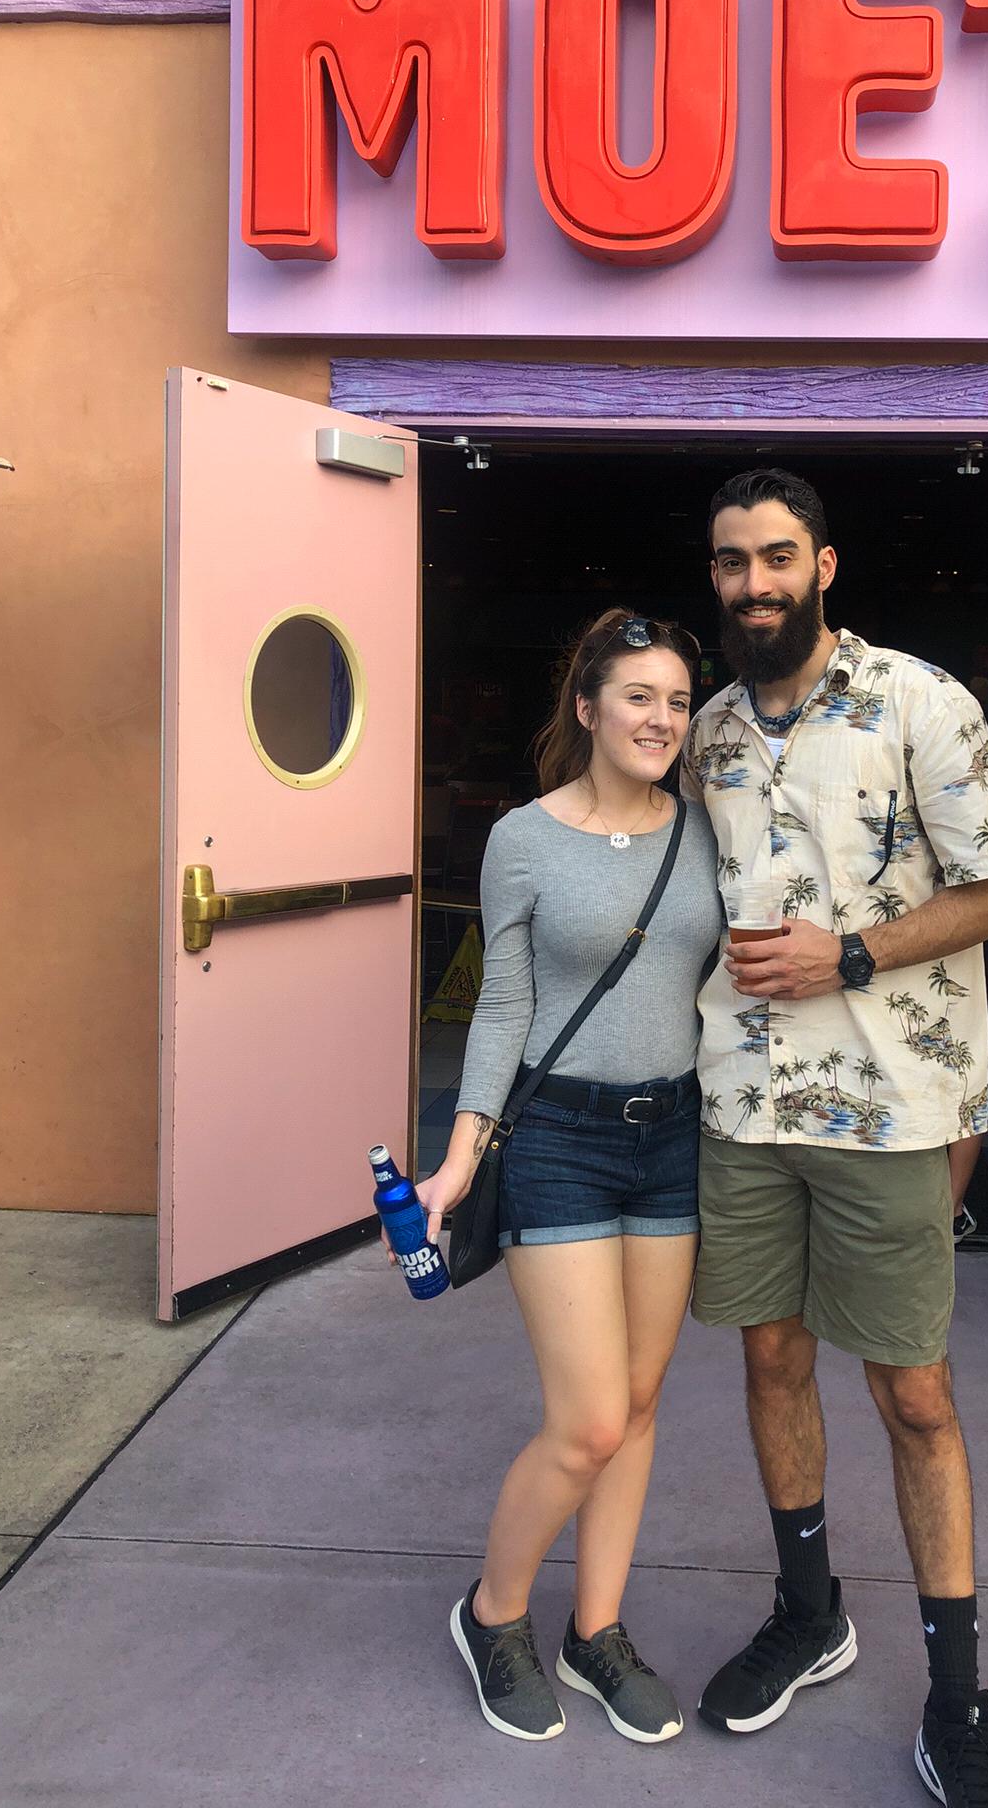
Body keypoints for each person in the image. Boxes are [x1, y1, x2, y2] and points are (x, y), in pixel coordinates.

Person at [681, 471, 988, 1806]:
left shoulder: (918, 701)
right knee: (771, 1360)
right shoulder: (707, 731)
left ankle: (958, 1700)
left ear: (823, 566)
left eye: (777, 557)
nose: (755, 582)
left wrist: (853, 952)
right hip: (745, 1102)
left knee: (915, 1395)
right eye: (733, 562)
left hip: (888, 1109)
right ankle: (809, 1611)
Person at [408, 610, 721, 1747]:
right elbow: (504, 1004)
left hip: (673, 1137)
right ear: (587, 708)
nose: (661, 719)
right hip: (559, 1139)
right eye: (638, 696)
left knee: (637, 1405)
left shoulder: (707, 831)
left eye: (677, 700)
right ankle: (494, 1613)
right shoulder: (524, 838)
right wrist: (460, 1154)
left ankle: (597, 1629)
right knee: (587, 1420)